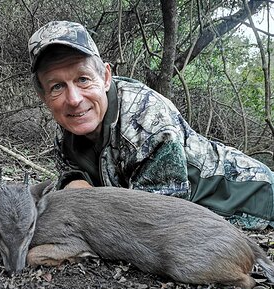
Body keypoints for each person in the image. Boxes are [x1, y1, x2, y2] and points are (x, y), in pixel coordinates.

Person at [28, 21, 274, 230]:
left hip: (247, 195)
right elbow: (71, 175)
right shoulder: (68, 129)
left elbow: (154, 221)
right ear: (44, 96)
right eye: (57, 86)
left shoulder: (147, 121)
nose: (73, 99)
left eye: (83, 79)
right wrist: (73, 184)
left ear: (105, 77)